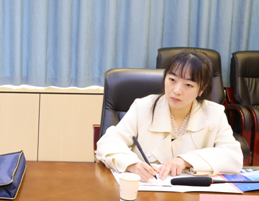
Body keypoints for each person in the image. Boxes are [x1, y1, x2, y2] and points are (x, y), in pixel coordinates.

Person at [96, 50, 243, 181]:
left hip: (192, 196)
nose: (177, 91)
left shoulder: (215, 113)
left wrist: (185, 161)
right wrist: (132, 164)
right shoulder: (142, 107)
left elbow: (233, 156)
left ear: (201, 90)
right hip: (147, 193)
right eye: (172, 80)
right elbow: (107, 143)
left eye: (188, 85)